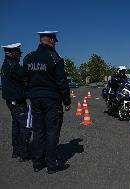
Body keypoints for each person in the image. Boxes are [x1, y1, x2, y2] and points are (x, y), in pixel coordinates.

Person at [23, 31, 71, 174]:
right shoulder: (55, 58)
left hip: (35, 99)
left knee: (38, 131)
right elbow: (61, 81)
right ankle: (52, 164)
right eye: (54, 40)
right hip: (51, 99)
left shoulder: (28, 58)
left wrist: (29, 95)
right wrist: (66, 100)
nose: (55, 43)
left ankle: (37, 162)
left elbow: (24, 80)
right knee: (51, 131)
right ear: (50, 40)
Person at [1, 43, 31, 162]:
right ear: (13, 54)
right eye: (19, 54)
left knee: (16, 126)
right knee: (25, 126)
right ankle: (24, 153)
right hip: (17, 102)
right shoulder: (14, 66)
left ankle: (16, 151)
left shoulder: (5, 65)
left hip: (11, 101)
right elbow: (26, 77)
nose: (20, 56)